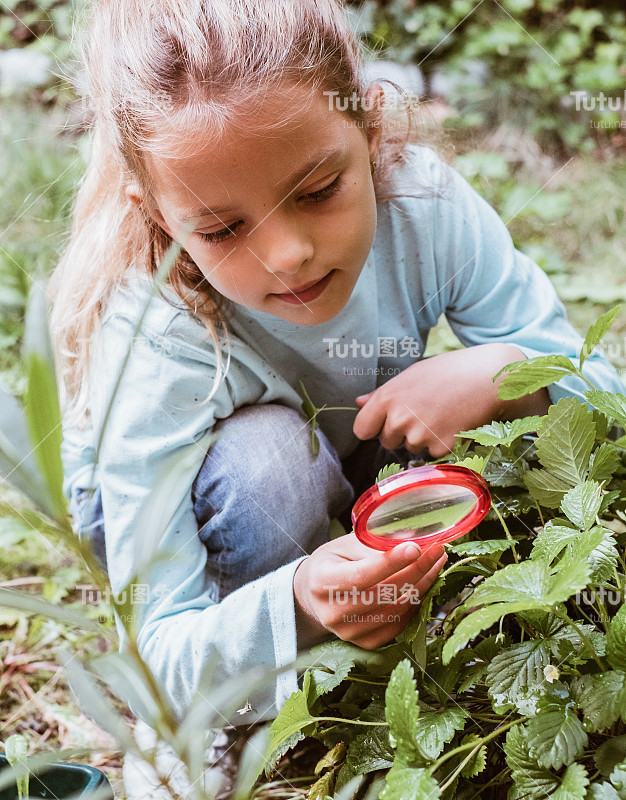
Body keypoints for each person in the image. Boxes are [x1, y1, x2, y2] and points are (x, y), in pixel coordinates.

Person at [49, 0, 623, 797]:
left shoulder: (426, 210)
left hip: (348, 457)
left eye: (318, 190)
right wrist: (298, 601)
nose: (287, 255)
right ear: (159, 218)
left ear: (372, 131)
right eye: (221, 230)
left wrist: (498, 372)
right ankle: (220, 718)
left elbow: (605, 399)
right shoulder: (159, 341)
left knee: (491, 431)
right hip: (208, 522)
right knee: (269, 461)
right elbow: (159, 639)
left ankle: (353, 635)